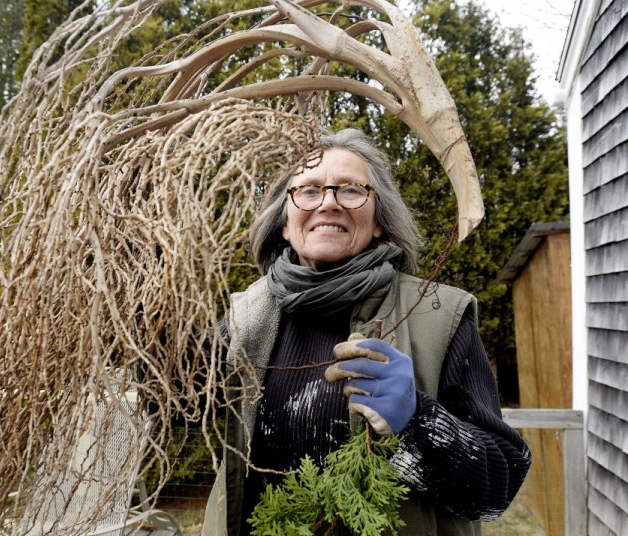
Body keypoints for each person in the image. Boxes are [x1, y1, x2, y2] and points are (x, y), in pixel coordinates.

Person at [201, 128, 531, 536]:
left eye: (352, 190)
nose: (329, 203)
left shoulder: (437, 314)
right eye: (308, 190)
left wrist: (419, 421)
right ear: (284, 224)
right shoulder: (243, 320)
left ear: (378, 221)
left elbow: (498, 487)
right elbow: (168, 407)